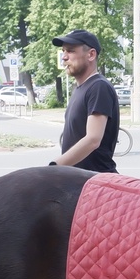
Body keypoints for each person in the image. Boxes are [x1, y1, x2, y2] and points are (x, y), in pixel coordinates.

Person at [51, 29, 120, 173]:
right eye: (63, 51)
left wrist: (54, 168)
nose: (64, 57)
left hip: (94, 184)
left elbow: (93, 139)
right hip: (77, 182)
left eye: (70, 51)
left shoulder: (98, 87)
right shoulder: (80, 88)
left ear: (91, 54)